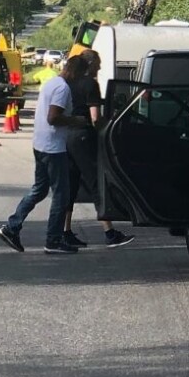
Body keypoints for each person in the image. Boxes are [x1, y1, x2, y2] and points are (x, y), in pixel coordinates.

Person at [0, 56, 90, 254]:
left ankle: (12, 227)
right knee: (61, 196)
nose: (81, 80)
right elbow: (53, 117)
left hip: (40, 143)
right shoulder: (63, 88)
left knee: (39, 190)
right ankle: (53, 240)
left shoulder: (51, 83)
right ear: (75, 72)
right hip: (53, 147)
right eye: (81, 75)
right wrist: (76, 121)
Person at [62, 50, 135, 248]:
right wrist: (107, 131)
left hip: (66, 136)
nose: (100, 67)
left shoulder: (67, 82)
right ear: (91, 63)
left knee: (71, 184)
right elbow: (95, 117)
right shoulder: (90, 84)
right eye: (98, 63)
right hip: (84, 137)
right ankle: (109, 232)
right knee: (97, 182)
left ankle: (65, 231)